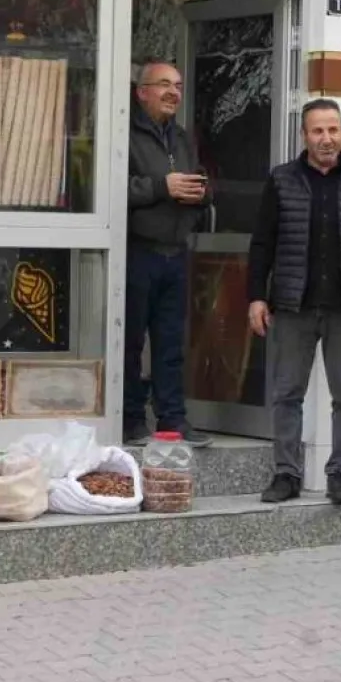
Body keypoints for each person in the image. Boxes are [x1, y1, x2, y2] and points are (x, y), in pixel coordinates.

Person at [248, 99, 341, 505]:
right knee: (286, 393)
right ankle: (286, 474)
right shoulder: (281, 181)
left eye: (333, 130)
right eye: (317, 131)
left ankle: (340, 474)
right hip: (293, 306)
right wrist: (256, 297)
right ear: (305, 136)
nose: (326, 138)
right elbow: (262, 244)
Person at [125, 60, 211, 447]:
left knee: (171, 343)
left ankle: (173, 421)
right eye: (164, 85)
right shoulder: (124, 133)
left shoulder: (182, 137)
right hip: (136, 251)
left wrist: (201, 192)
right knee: (129, 343)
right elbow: (111, 189)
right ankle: (129, 421)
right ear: (141, 92)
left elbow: (199, 180)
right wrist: (163, 187)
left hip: (175, 253)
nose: (173, 92)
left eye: (178, 85)